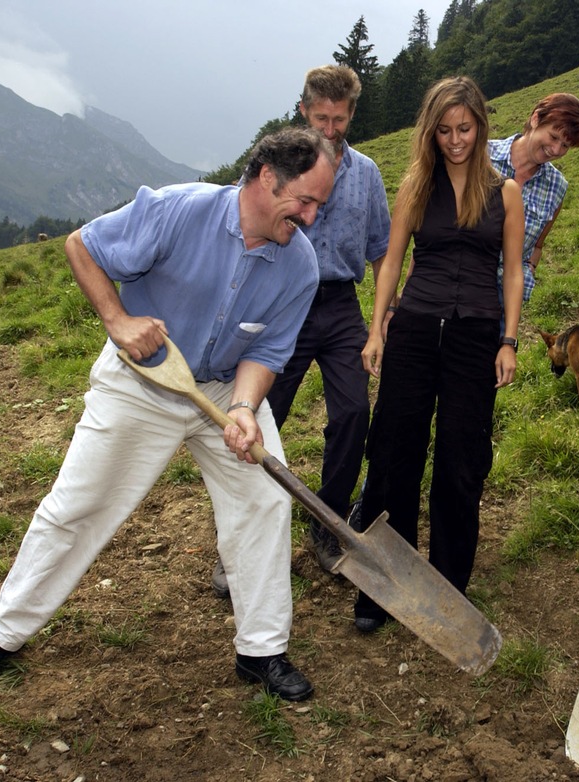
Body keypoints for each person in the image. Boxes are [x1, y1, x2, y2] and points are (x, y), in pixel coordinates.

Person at [0, 128, 336, 702]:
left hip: (224, 390)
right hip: (142, 379)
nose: (309, 216)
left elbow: (267, 351)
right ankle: (2, 634)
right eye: (303, 201)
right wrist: (117, 320)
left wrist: (247, 409)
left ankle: (262, 652)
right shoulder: (179, 210)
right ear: (265, 177)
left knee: (265, 501)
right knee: (80, 504)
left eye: (319, 206)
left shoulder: (300, 265)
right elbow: (82, 245)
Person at [210, 66, 390, 597]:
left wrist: (379, 321)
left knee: (355, 411)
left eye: (339, 118)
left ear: (351, 115)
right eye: (320, 117)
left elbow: (382, 250)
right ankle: (238, 543)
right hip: (278, 302)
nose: (330, 128)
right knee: (259, 418)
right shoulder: (279, 167)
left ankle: (328, 522)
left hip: (338, 307)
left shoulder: (368, 173)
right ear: (304, 111)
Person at [354, 76, 524, 633]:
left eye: (465, 129)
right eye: (445, 130)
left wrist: (509, 339)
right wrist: (378, 329)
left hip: (475, 336)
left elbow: (515, 271)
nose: (455, 140)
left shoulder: (506, 193)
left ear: (480, 127)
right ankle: (385, 582)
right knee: (394, 452)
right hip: (417, 329)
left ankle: (448, 584)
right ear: (430, 132)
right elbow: (391, 262)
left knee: (460, 456)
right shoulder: (414, 187)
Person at [488, 92, 579, 304]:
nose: (555, 150)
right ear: (536, 119)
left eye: (565, 146)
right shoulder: (483, 155)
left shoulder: (557, 186)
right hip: (459, 283)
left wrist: (529, 269)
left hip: (505, 297)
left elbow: (538, 245)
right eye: (553, 137)